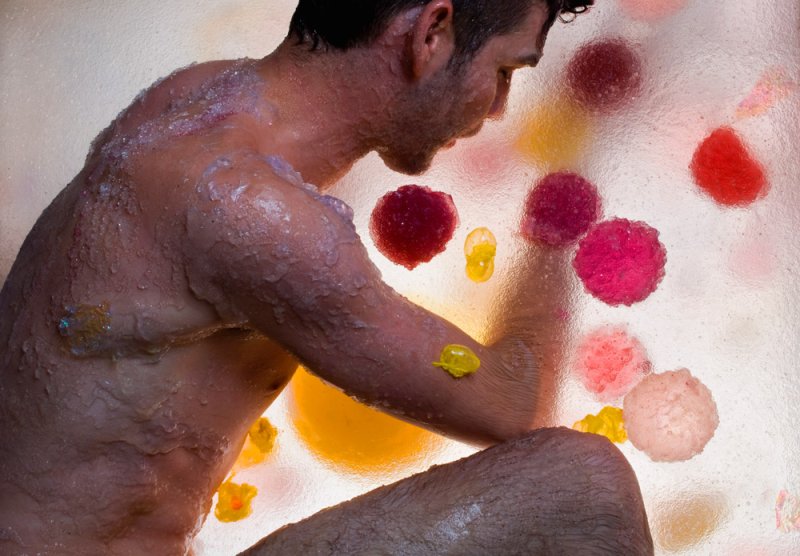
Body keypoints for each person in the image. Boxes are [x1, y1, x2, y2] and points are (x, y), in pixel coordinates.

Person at [0, 0, 653, 554]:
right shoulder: (252, 212)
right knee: (585, 483)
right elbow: (514, 404)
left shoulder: (198, 101)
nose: (502, 107)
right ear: (432, 32)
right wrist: (554, 233)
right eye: (504, 69)